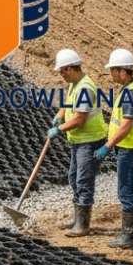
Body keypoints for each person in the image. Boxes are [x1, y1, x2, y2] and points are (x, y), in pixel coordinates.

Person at [95, 48, 133, 250]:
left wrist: (107, 146)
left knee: (125, 190)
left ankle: (128, 236)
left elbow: (126, 126)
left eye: (113, 70)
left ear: (123, 71)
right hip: (131, 147)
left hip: (131, 148)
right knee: (130, 188)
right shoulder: (130, 90)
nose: (111, 74)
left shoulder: (131, 93)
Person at [49, 48, 107, 237]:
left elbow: (80, 118)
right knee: (74, 177)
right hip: (79, 141)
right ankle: (78, 218)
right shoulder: (75, 84)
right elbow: (68, 104)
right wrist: (59, 116)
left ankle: (83, 225)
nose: (61, 75)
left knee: (83, 180)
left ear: (69, 68)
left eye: (62, 71)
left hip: (90, 141)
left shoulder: (85, 88)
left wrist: (59, 129)